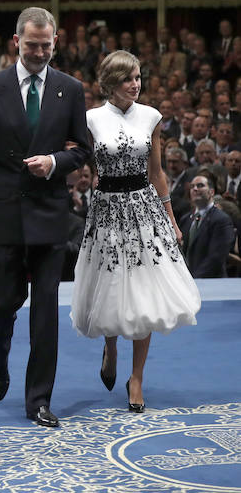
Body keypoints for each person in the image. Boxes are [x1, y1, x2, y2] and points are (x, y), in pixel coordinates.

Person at [0, 7, 92, 428]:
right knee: (1, 304)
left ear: (56, 43)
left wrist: (55, 162)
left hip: (50, 217)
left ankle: (38, 400)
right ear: (16, 41)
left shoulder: (70, 89)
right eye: (32, 45)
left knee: (46, 313)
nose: (39, 52)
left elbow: (82, 149)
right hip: (1, 218)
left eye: (47, 45)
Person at [71, 50, 201, 414]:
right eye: (128, 78)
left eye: (139, 78)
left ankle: (137, 378)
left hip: (144, 210)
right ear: (111, 82)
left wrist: (172, 220)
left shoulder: (152, 116)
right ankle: (110, 347)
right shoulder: (91, 118)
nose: (136, 85)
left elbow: (158, 173)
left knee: (144, 291)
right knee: (110, 286)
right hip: (107, 210)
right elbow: (82, 163)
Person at [179, 174, 236, 278]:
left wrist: (195, 279)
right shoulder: (186, 219)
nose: (195, 189)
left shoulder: (221, 220)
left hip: (211, 283)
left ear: (211, 192)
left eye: (200, 185)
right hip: (188, 281)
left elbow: (216, 257)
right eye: (192, 186)